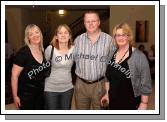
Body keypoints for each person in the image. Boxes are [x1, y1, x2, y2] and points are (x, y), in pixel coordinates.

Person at [101, 23, 152, 110]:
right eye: (118, 35)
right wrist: (107, 94)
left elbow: (145, 82)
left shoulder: (139, 56)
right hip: (113, 101)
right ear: (114, 37)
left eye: (123, 35)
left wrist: (144, 103)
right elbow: (108, 78)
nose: (120, 38)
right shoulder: (110, 54)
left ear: (129, 36)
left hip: (131, 102)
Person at [72, 11, 115, 110]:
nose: (90, 24)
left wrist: (109, 89)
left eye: (93, 21)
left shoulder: (109, 40)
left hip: (100, 84)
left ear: (99, 22)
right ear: (84, 23)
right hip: (81, 85)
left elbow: (112, 65)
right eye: (88, 21)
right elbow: (72, 60)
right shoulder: (77, 40)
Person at [11, 24, 48, 110]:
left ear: (40, 34)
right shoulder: (23, 53)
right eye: (31, 34)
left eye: (36, 32)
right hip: (26, 96)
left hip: (40, 94)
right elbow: (14, 76)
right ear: (28, 38)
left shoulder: (42, 51)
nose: (35, 35)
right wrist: (15, 96)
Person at [44, 24, 74, 110]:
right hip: (50, 88)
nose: (63, 35)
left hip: (68, 88)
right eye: (60, 33)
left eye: (66, 32)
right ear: (56, 36)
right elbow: (43, 66)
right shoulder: (50, 49)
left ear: (70, 36)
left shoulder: (74, 49)